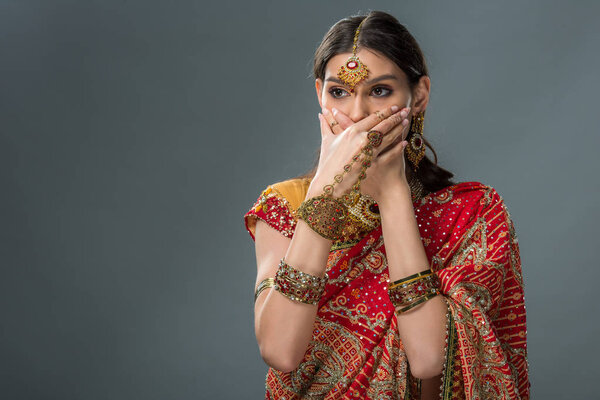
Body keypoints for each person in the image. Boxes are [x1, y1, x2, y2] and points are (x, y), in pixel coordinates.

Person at [243, 11, 529, 400]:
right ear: (319, 96)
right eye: (339, 92)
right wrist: (325, 197)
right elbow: (279, 350)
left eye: (379, 91)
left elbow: (429, 359)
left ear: (419, 95)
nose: (358, 114)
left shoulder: (473, 213)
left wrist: (393, 195)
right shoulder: (283, 207)